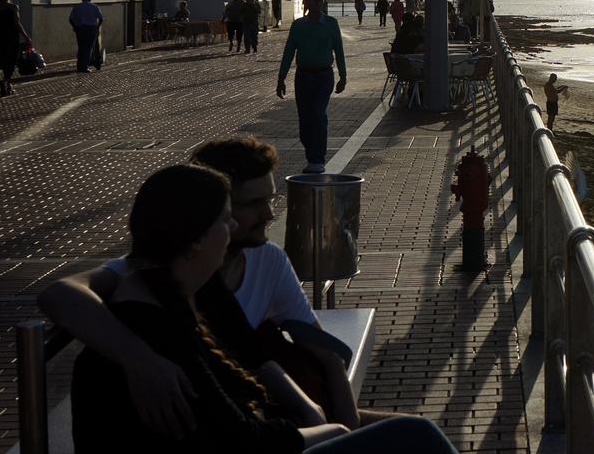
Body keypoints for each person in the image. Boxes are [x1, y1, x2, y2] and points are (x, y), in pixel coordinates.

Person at [68, 164, 459, 453]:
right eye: (225, 221)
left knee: (411, 433)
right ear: (193, 242)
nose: (234, 229)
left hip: (261, 430)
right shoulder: (159, 332)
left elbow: (251, 361)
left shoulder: (191, 290)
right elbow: (243, 441)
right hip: (256, 443)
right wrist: (335, 432)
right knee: (415, 437)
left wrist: (310, 412)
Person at [42, 138, 385, 433]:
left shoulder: (251, 267)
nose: (269, 214)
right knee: (413, 436)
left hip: (259, 415)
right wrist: (138, 358)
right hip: (237, 426)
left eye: (271, 199)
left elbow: (268, 354)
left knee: (414, 433)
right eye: (253, 204)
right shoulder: (149, 274)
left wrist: (338, 424)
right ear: (204, 213)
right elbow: (58, 295)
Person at [278, 0, 348, 174]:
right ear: (306, 1)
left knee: (318, 115)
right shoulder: (298, 25)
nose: (318, 2)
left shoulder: (331, 23)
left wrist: (343, 76)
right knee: (305, 120)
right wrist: (281, 77)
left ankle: (317, 159)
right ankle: (311, 154)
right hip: (303, 76)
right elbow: (288, 52)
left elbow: (339, 50)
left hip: (324, 76)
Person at [69, 0, 104, 73]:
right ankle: (85, 67)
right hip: (91, 28)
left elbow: (71, 19)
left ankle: (79, 66)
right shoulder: (94, 7)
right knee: (88, 48)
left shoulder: (77, 7)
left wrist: (74, 27)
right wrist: (97, 27)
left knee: (81, 47)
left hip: (80, 28)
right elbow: (101, 18)